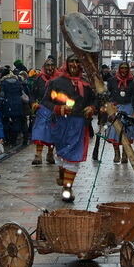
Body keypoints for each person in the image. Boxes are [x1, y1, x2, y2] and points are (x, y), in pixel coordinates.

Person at [35, 54, 97, 201]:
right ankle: (63, 175)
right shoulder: (56, 82)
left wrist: (92, 107)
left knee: (73, 155)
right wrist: (58, 109)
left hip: (78, 123)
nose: (74, 65)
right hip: (60, 123)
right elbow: (46, 101)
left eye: (77, 61)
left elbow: (94, 100)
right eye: (71, 62)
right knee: (62, 153)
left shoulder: (86, 84)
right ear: (66, 64)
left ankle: (68, 188)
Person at [106, 62, 134, 165]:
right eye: (122, 68)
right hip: (116, 107)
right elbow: (108, 94)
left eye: (126, 68)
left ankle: (125, 154)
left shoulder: (133, 82)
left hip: (128, 108)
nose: (124, 71)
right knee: (114, 130)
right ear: (119, 69)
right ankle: (117, 153)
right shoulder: (112, 81)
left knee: (127, 131)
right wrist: (109, 106)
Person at [30, 58, 58, 165]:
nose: (49, 68)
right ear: (44, 66)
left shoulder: (59, 79)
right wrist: (33, 104)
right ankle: (38, 155)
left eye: (52, 65)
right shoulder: (38, 79)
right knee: (40, 133)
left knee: (53, 133)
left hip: (55, 109)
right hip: (42, 109)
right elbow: (32, 94)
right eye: (47, 65)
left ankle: (50, 154)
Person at [0, 68, 25, 147]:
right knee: (16, 122)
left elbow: (2, 95)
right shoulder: (17, 82)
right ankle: (14, 141)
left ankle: (7, 140)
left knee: (5, 122)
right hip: (18, 104)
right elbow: (21, 93)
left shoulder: (3, 82)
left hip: (7, 104)